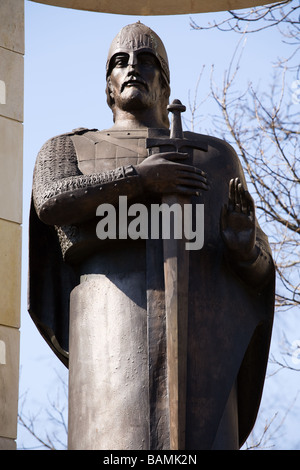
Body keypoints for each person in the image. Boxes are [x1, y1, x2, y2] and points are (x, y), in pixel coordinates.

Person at [28, 22, 275, 450]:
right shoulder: (69, 148)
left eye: (147, 61)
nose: (133, 68)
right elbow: (51, 201)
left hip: (202, 358)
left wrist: (245, 249)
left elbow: (260, 267)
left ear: (165, 84)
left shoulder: (215, 158)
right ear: (108, 85)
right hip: (109, 338)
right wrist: (138, 180)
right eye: (120, 61)